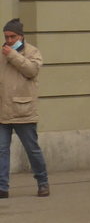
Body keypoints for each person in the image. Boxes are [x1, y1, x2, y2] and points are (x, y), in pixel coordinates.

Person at [0, 18, 48, 198]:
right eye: (6, 37)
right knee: (1, 150)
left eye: (12, 36)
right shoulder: (2, 53)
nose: (9, 40)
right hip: (3, 110)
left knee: (32, 150)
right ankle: (2, 187)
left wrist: (12, 55)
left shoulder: (32, 52)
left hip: (23, 110)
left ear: (21, 36)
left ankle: (43, 182)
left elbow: (31, 71)